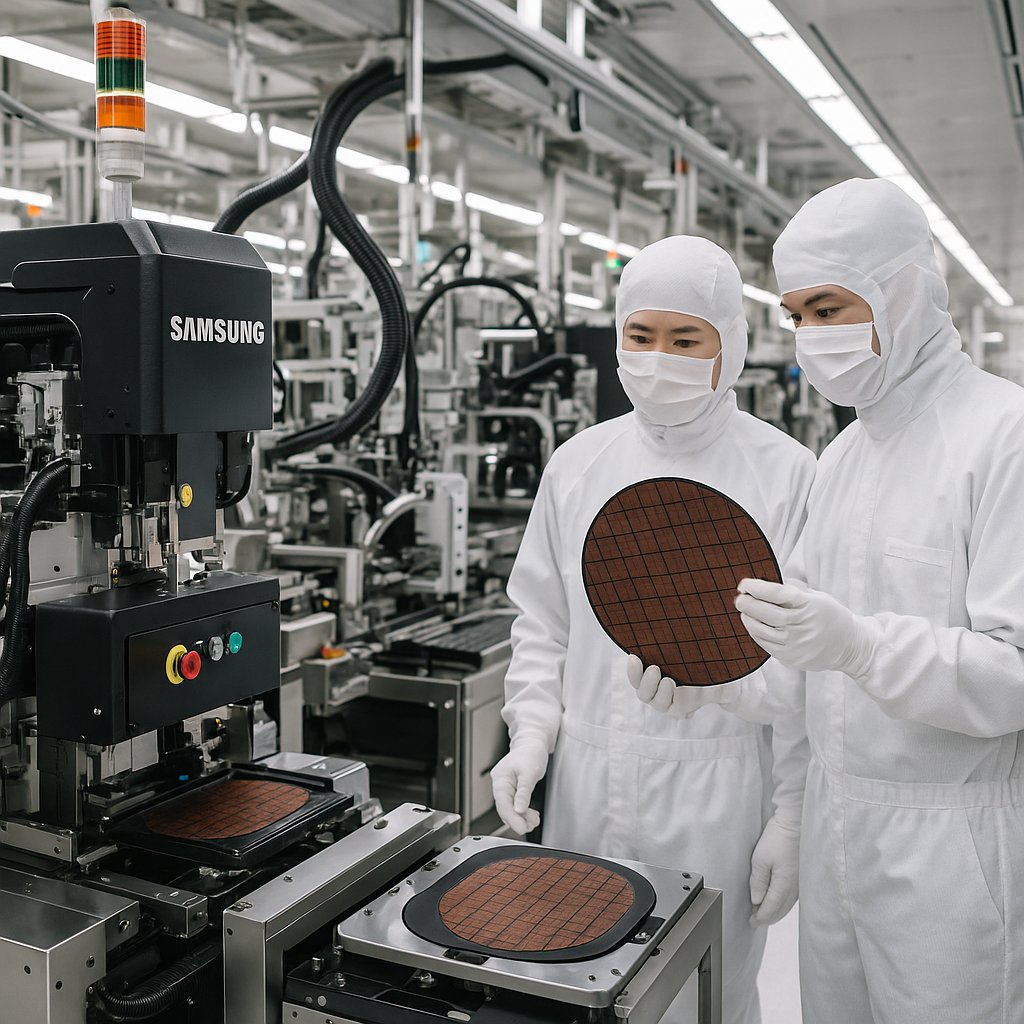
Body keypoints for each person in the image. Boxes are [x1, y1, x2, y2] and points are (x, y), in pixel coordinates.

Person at [491, 234, 815, 1024]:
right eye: (641, 335)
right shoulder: (578, 464)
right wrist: (532, 734)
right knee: (575, 983)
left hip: (717, 791)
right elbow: (541, 620)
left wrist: (792, 813)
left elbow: (814, 668)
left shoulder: (788, 475)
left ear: (728, 346)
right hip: (586, 784)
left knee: (703, 997)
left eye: (685, 339)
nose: (657, 358)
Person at [734, 177, 1024, 1024]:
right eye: (796, 315)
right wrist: (735, 692)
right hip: (835, 834)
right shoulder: (842, 457)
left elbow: (1016, 673)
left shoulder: (1003, 436)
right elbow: (810, 663)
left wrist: (864, 646)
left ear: (903, 293)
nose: (810, 338)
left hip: (951, 855)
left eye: (830, 308)